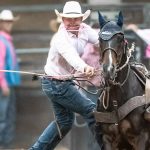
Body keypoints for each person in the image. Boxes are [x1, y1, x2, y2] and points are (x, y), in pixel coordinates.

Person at [29, 1, 103, 150]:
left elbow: (101, 40)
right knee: (91, 111)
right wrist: (85, 67)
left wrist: (113, 41)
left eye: (76, 18)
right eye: (68, 18)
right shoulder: (60, 38)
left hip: (60, 83)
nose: (72, 22)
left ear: (81, 19)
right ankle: (107, 146)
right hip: (56, 84)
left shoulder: (85, 30)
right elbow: (71, 57)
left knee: (64, 122)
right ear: (63, 20)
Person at [0, 9, 21, 146]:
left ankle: (6, 144)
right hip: (4, 84)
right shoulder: (1, 41)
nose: (9, 24)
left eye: (10, 22)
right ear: (1, 23)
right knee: (3, 116)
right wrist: (3, 83)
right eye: (6, 22)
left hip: (9, 83)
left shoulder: (6, 39)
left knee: (8, 115)